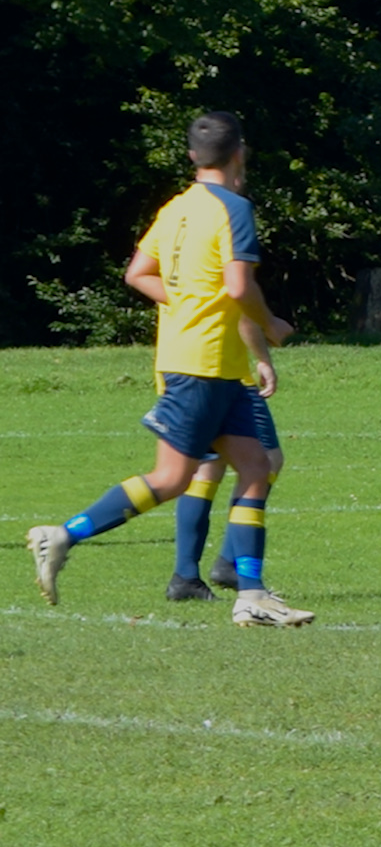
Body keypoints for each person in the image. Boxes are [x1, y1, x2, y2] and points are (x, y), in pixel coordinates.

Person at [25, 111, 313, 626]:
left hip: (210, 362)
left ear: (193, 157)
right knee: (172, 478)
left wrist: (186, 302)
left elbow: (138, 273)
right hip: (203, 363)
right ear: (240, 153)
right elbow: (239, 286)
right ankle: (63, 534)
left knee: (256, 466)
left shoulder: (176, 207)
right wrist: (270, 324)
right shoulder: (233, 208)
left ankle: (252, 595)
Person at [162, 318, 283, 601]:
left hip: (186, 365)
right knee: (265, 462)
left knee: (209, 466)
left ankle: (188, 575)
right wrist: (264, 353)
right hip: (224, 374)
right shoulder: (224, 283)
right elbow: (241, 313)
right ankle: (226, 565)